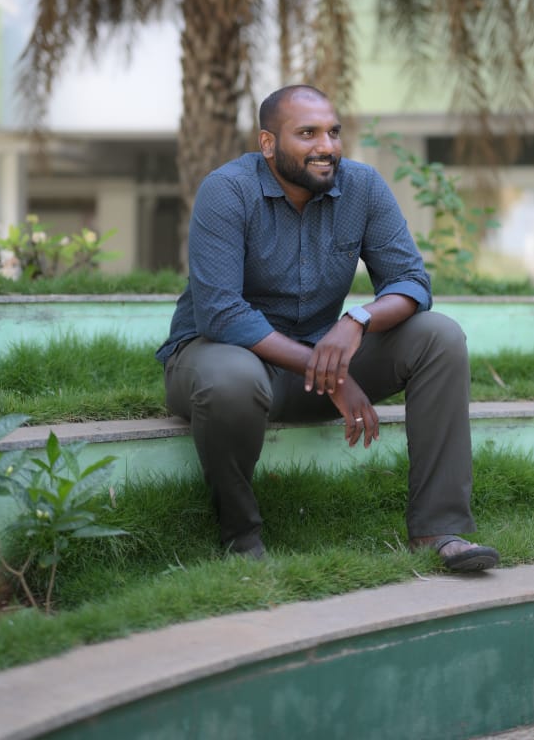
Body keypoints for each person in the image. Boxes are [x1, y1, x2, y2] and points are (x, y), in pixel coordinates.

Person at [156, 84, 499, 572]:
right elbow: (221, 312)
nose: (327, 146)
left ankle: (438, 529)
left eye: (333, 132)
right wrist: (334, 377)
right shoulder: (227, 190)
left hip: (312, 366)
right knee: (232, 378)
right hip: (220, 362)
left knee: (439, 336)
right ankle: (242, 542)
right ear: (268, 143)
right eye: (308, 134)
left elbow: (411, 282)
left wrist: (357, 320)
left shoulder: (362, 187)